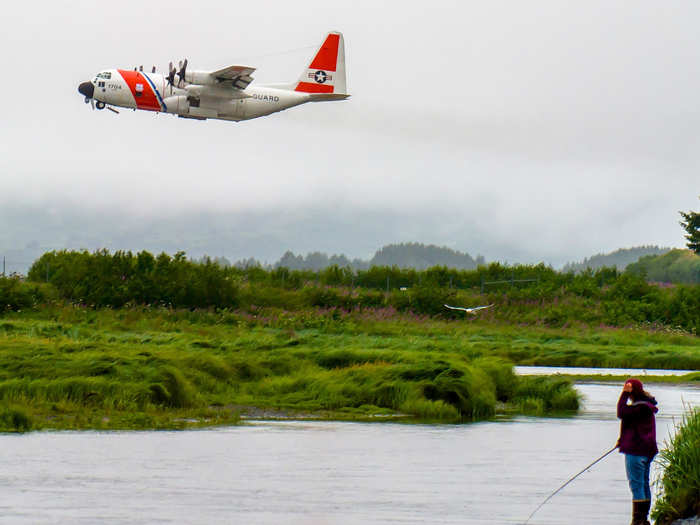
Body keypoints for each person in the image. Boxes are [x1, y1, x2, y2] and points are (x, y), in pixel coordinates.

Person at [617, 378, 658, 525]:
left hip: (636, 451)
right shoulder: (646, 407)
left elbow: (621, 412)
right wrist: (622, 439)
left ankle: (638, 520)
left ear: (631, 391)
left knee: (636, 485)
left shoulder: (638, 408)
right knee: (644, 484)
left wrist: (624, 395)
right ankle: (643, 519)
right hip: (647, 451)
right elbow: (633, 426)